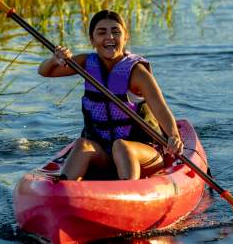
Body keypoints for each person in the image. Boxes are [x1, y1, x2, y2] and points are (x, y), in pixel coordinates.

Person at [38, 10, 183, 180]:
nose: (110, 37)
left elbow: (161, 109)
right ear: (92, 40)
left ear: (125, 37)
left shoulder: (138, 73)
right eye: (101, 32)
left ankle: (129, 192)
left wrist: (174, 136)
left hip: (144, 153)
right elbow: (45, 72)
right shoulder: (85, 63)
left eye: (116, 31)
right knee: (82, 145)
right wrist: (55, 60)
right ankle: (63, 190)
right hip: (104, 153)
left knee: (121, 146)